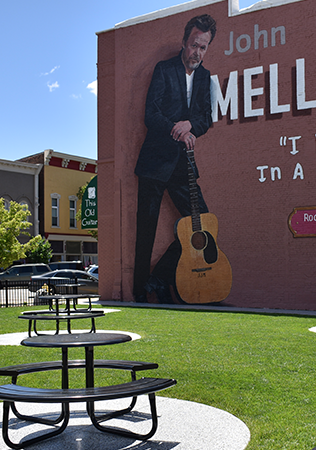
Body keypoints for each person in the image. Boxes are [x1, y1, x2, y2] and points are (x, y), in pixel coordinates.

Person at [133, 15, 217, 303]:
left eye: (203, 47)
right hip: (154, 163)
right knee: (146, 229)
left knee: (202, 225)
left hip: (183, 166)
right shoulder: (164, 69)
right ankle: (138, 293)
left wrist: (191, 126)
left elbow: (206, 118)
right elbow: (150, 114)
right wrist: (177, 129)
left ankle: (159, 277)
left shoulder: (206, 77)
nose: (197, 52)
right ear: (184, 42)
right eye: (194, 45)